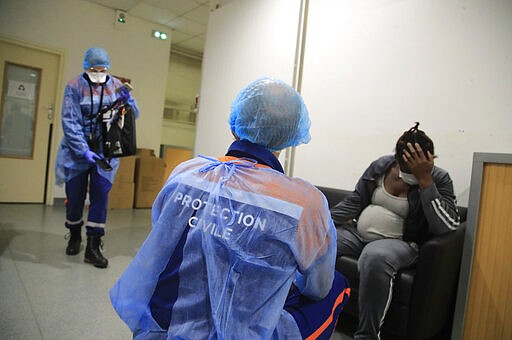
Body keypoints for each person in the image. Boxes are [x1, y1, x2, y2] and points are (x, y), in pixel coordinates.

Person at [110, 77, 350, 339]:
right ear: (291, 136)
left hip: (163, 326)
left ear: (236, 126)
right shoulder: (305, 203)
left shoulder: (186, 174)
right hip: (243, 333)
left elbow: (163, 238)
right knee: (338, 285)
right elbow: (317, 288)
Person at [331, 123, 461, 340]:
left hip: (401, 242)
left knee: (375, 257)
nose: (405, 174)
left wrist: (425, 181)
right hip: (358, 234)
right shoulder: (382, 166)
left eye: (414, 167)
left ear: (429, 160)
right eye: (404, 166)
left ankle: (367, 336)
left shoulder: (439, 178)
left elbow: (447, 225)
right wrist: (320, 219)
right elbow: (356, 200)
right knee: (322, 238)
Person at [55, 47, 140, 268]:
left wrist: (128, 100)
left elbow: (134, 116)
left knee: (100, 194)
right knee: (75, 195)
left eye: (102, 68)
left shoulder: (115, 85)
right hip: (77, 151)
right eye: (94, 68)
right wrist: (83, 149)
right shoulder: (74, 87)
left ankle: (93, 245)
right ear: (86, 67)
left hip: (105, 150)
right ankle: (74, 234)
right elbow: (70, 121)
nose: (98, 72)